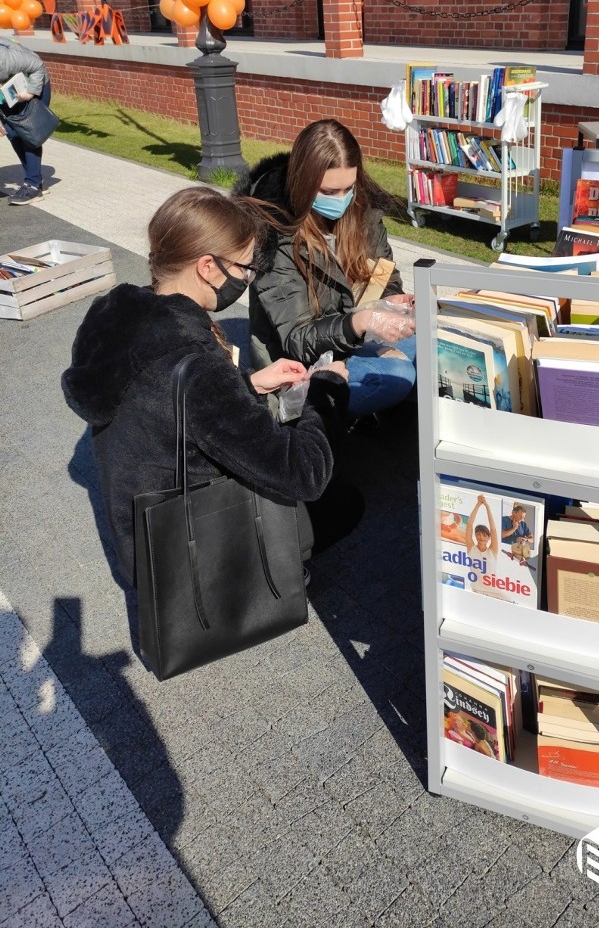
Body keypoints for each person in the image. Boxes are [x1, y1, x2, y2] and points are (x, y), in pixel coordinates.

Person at [61, 186, 361, 589]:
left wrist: (248, 383)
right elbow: (302, 474)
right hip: (185, 560)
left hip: (141, 538)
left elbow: (163, 401)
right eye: (244, 269)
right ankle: (266, 575)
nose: (248, 278)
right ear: (207, 266)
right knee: (342, 503)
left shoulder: (114, 310)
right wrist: (326, 390)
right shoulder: (196, 363)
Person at [233, 119, 416, 419]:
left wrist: (391, 304)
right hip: (297, 361)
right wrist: (363, 321)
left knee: (428, 348)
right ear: (303, 184)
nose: (341, 201)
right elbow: (297, 339)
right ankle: (310, 420)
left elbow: (384, 273)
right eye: (328, 192)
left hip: (351, 336)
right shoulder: (273, 232)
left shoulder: (362, 210)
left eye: (348, 188)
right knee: (398, 374)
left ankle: (357, 401)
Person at [0, 35, 52, 204]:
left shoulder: (4, 58)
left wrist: (30, 93)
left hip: (34, 82)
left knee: (29, 133)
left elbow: (37, 66)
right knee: (13, 134)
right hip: (8, 91)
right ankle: (35, 179)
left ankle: (33, 184)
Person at [465, 495, 499, 559]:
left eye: (484, 535)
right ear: (475, 535)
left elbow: (493, 529)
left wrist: (487, 506)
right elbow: (469, 524)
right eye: (478, 534)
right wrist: (478, 504)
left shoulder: (493, 551)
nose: (481, 537)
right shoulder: (471, 548)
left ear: (489, 537)